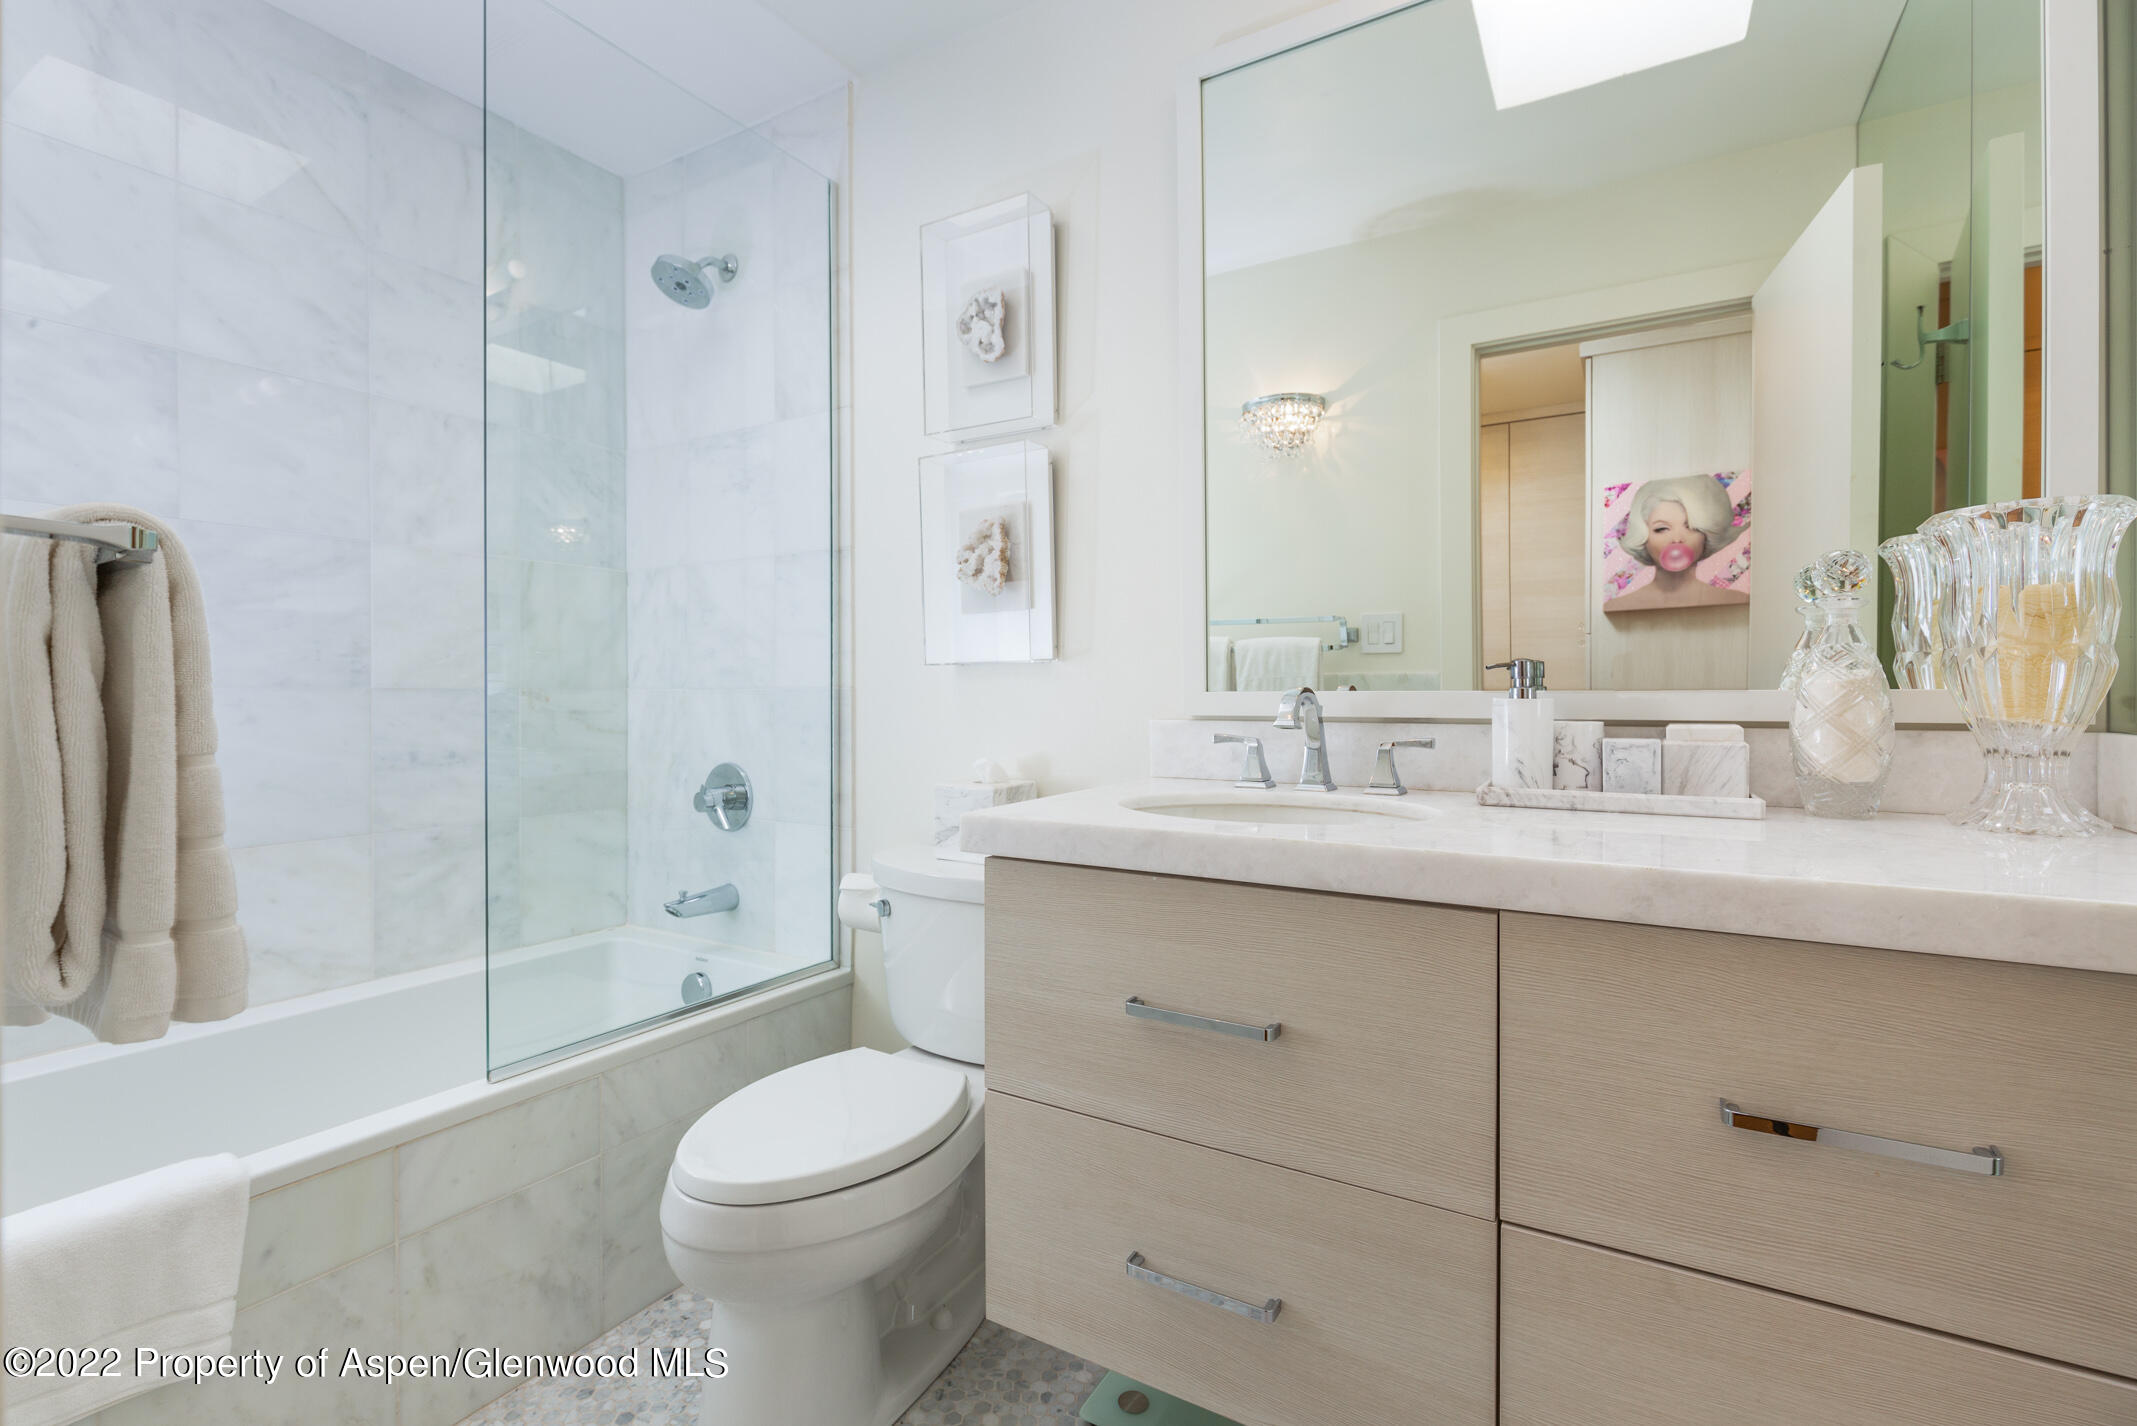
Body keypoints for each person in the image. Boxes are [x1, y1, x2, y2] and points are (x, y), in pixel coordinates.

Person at [1605, 472, 1749, 612]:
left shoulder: (1737, 599)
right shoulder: (1617, 606)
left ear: (1706, 534)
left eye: (1691, 527)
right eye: (1662, 529)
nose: (1677, 539)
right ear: (1643, 536)